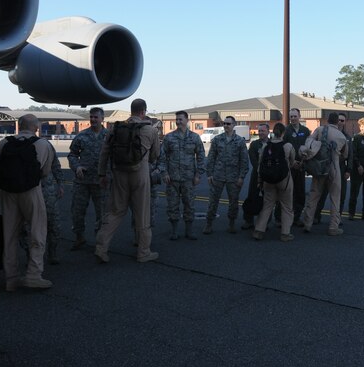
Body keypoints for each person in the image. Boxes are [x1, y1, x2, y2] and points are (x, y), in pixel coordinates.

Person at [0, 114, 54, 291]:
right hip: (31, 191)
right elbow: (46, 171)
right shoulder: (42, 144)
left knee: (9, 236)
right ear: (36, 128)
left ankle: (11, 279)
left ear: (19, 126)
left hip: (7, 193)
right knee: (37, 232)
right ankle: (33, 274)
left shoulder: (4, 143)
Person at [95, 98, 160, 263]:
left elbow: (104, 153)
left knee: (115, 211)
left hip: (119, 174)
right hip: (140, 174)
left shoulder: (116, 128)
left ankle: (101, 248)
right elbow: (154, 157)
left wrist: (102, 174)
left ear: (131, 111)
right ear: (143, 111)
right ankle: (143, 252)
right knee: (142, 213)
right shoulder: (150, 131)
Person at [301, 112, 348, 236]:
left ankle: (307, 223)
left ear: (327, 120)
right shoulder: (341, 136)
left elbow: (309, 141)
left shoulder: (320, 130)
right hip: (334, 167)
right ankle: (333, 227)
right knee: (335, 198)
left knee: (314, 195)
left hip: (320, 167)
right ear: (338, 121)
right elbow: (345, 155)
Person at [68, 107, 108, 250]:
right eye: (91, 117)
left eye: (96, 117)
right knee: (77, 211)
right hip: (82, 181)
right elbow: (72, 154)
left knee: (102, 214)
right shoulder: (82, 136)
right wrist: (77, 166)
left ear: (102, 119)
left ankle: (100, 242)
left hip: (101, 182)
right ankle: (79, 238)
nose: (93, 120)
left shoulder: (109, 136)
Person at [161, 111, 205, 240]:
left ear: (187, 120)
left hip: (188, 179)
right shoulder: (169, 138)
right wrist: (164, 173)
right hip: (172, 179)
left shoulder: (195, 137)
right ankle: (174, 231)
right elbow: (162, 157)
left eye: (181, 119)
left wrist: (198, 174)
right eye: (177, 120)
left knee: (189, 205)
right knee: (172, 205)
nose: (178, 122)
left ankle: (189, 231)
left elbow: (201, 157)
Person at [204, 116, 249, 234]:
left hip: (233, 177)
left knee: (233, 202)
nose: (226, 126)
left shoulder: (240, 141)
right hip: (218, 175)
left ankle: (232, 224)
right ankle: (209, 224)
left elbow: (244, 160)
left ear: (234, 125)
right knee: (213, 201)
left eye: (228, 124)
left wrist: (241, 177)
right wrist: (209, 174)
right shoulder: (217, 140)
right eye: (224, 123)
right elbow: (211, 158)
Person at [252, 122, 296, 242]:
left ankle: (259, 230)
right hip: (284, 179)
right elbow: (292, 162)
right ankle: (285, 233)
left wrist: (259, 181)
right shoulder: (288, 146)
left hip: (268, 180)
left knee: (267, 205)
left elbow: (260, 165)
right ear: (283, 133)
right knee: (287, 206)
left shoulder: (266, 146)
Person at [313, 113, 350, 223]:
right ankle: (325, 221)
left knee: (336, 196)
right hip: (329, 166)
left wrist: (349, 169)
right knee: (329, 196)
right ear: (335, 121)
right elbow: (346, 154)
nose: (340, 122)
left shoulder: (320, 130)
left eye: (342, 120)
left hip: (330, 167)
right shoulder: (336, 135)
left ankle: (309, 222)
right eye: (339, 120)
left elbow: (349, 154)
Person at [279, 108, 311, 225]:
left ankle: (296, 218)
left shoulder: (305, 130)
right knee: (286, 193)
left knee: (300, 193)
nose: (292, 118)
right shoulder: (286, 131)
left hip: (301, 166)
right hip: (288, 168)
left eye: (294, 116)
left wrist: (304, 161)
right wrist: (292, 163)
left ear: (299, 116)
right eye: (291, 116)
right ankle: (283, 218)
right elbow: (282, 149)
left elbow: (309, 147)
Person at [242, 123, 270, 230]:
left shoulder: (272, 144)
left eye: (263, 131)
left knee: (267, 200)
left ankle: (264, 222)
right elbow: (254, 161)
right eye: (259, 131)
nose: (261, 133)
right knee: (252, 197)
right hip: (256, 176)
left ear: (268, 132)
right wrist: (261, 170)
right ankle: (248, 221)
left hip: (268, 177)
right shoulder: (254, 144)